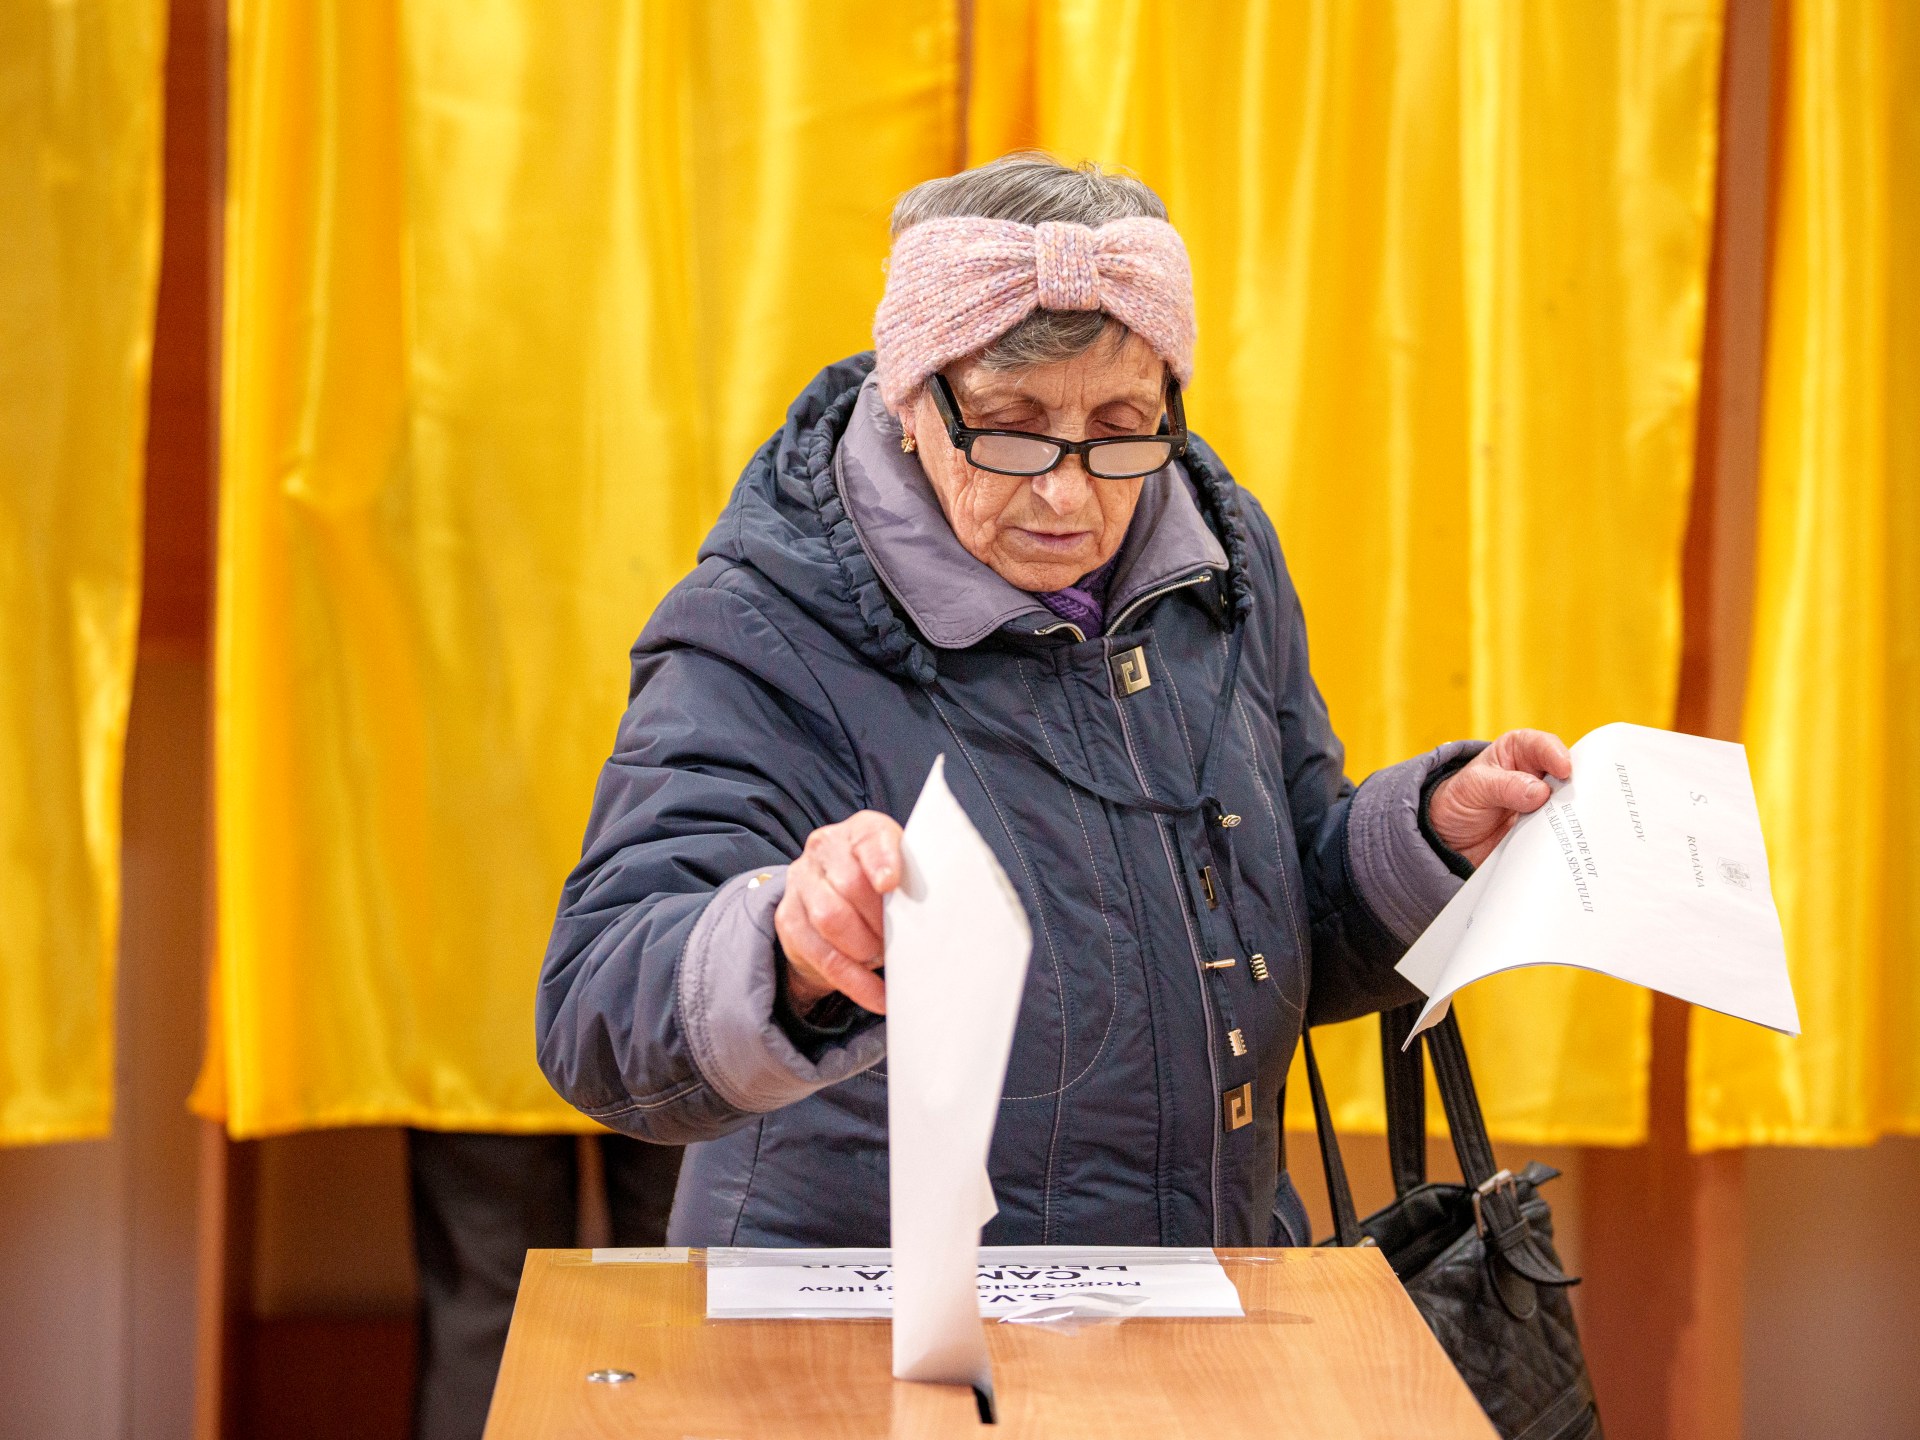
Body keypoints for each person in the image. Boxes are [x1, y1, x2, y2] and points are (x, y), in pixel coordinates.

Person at [536, 154, 1570, 1249]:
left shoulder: (1221, 564)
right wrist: (786, 948)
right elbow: (597, 1013)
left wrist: (1427, 837)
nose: (1069, 492)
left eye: (1122, 426)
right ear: (911, 397)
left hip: (1201, 1298)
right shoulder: (767, 619)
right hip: (873, 1329)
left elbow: (1277, 922)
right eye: (1013, 426)